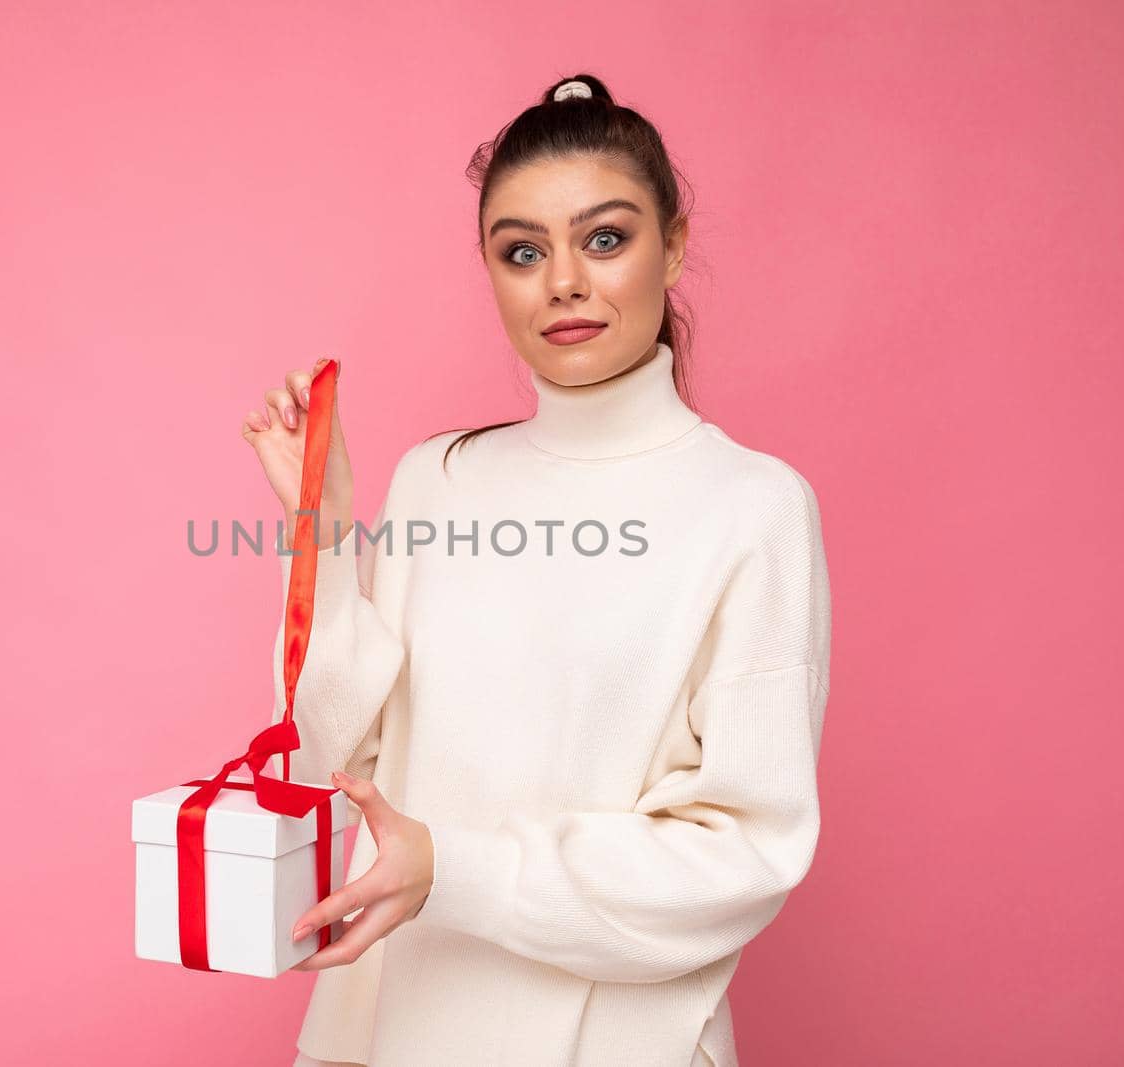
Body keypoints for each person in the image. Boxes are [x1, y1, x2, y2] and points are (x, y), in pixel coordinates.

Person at [240, 73, 831, 1067]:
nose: (562, 280)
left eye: (605, 237)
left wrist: (453, 869)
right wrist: (324, 534)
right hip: (397, 1029)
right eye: (522, 251)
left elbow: (741, 853)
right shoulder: (437, 478)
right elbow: (325, 763)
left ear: (673, 245)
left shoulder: (752, 505)